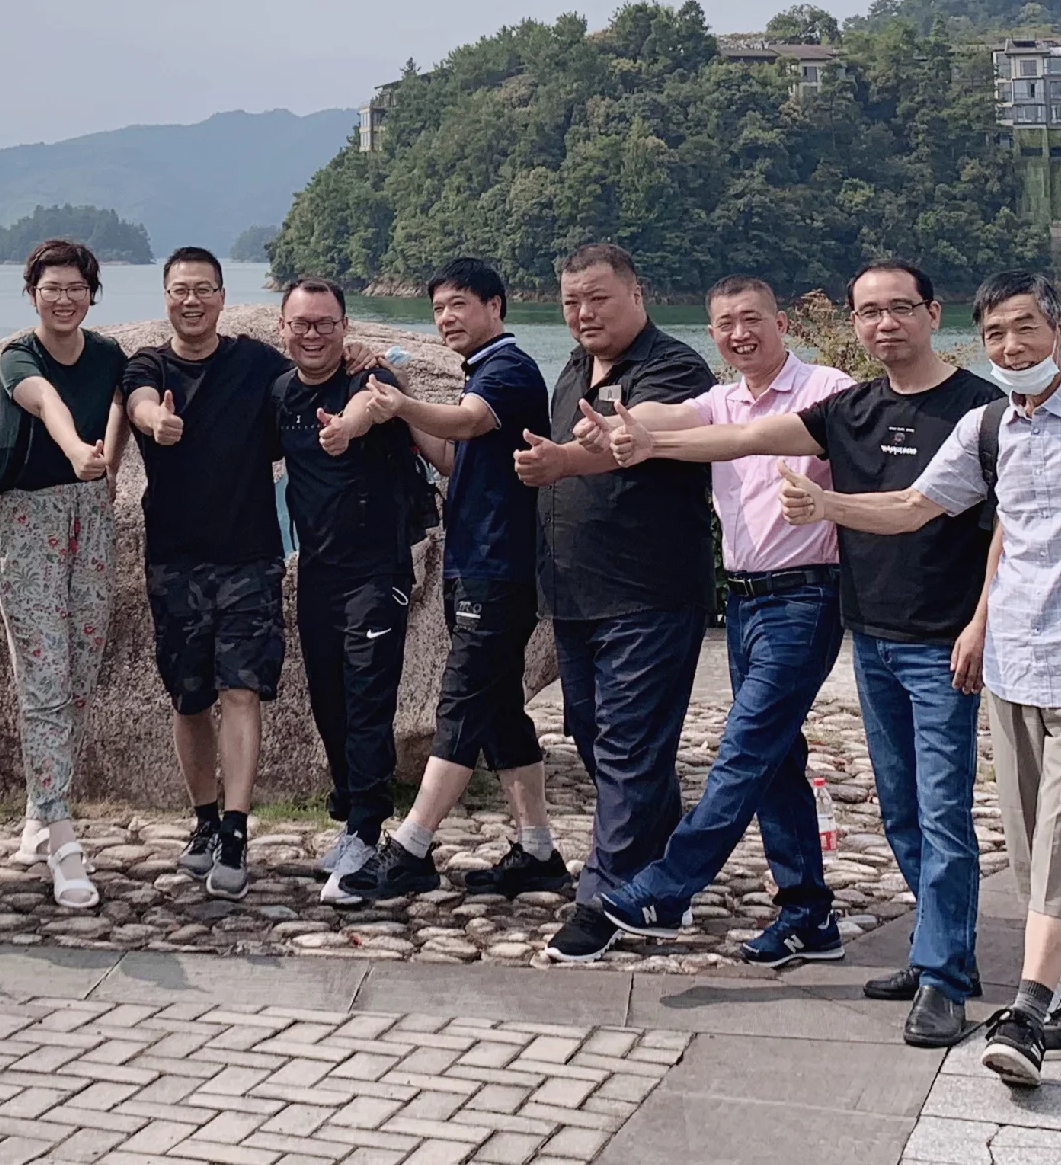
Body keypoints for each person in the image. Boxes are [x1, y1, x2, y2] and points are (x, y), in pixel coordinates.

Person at [778, 269, 1061, 1090]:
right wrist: (829, 508)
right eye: (996, 334)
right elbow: (914, 507)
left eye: (1024, 328)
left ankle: (1028, 1015)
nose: (1010, 346)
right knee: (1042, 853)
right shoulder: (989, 428)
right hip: (1014, 671)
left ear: (1059, 330)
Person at [610, 259, 999, 1044]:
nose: (885, 324)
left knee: (943, 809)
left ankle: (945, 980)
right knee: (902, 810)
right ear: (854, 323)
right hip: (874, 634)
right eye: (869, 312)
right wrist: (647, 439)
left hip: (940, 640)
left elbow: (1010, 527)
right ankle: (938, 952)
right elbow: (744, 435)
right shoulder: (852, 408)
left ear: (933, 313)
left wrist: (981, 625)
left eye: (899, 308)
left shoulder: (980, 410)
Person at [542, 276, 855, 966]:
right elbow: (671, 416)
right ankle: (808, 914)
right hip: (741, 600)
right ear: (712, 334)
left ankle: (667, 888)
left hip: (806, 598)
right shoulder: (718, 399)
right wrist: (627, 424)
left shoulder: (827, 388)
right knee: (777, 761)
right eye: (724, 324)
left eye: (752, 319)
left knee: (742, 751)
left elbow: (747, 443)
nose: (740, 334)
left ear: (781, 323)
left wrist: (645, 440)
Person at [503, 239, 717, 934]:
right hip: (575, 594)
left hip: (648, 592)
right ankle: (662, 879)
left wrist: (565, 460)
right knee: (599, 738)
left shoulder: (672, 367)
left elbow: (635, 433)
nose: (584, 313)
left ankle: (602, 900)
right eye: (572, 301)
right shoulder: (571, 369)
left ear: (637, 294)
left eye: (598, 298)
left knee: (628, 744)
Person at [347, 257, 560, 904]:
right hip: (473, 562)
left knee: (462, 702)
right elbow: (450, 455)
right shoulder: (480, 375)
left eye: (459, 304)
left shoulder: (509, 370)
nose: (445, 318)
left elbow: (466, 422)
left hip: (499, 567)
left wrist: (401, 401)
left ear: (496, 306)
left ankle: (411, 848)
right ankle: (537, 851)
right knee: (498, 710)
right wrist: (402, 397)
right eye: (438, 308)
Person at [120, 247, 291, 900]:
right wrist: (154, 421)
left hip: (250, 556)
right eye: (180, 290)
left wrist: (363, 360)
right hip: (175, 560)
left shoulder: (256, 363)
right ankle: (204, 819)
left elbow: (312, 374)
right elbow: (139, 402)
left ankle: (237, 830)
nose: (191, 301)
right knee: (189, 698)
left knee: (241, 690)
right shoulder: (149, 364)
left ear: (222, 296)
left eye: (203, 289)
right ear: (166, 297)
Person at [270, 278, 439, 904]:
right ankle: (350, 819)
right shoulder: (281, 392)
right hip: (317, 570)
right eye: (301, 324)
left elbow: (370, 407)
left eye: (325, 323)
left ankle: (368, 831)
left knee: (368, 699)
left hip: (376, 570)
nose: (312, 334)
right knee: (329, 701)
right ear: (283, 329)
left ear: (345, 327)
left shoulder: (373, 380)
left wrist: (343, 428)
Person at [0, 239, 127, 913]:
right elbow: (47, 404)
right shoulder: (19, 357)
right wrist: (76, 450)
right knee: (43, 677)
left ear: (91, 294)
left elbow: (124, 402)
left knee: (78, 673)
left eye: (76, 287)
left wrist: (110, 464)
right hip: (30, 520)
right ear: (32, 294)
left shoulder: (107, 354)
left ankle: (38, 809)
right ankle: (64, 839)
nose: (64, 299)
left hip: (91, 517)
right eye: (51, 288)